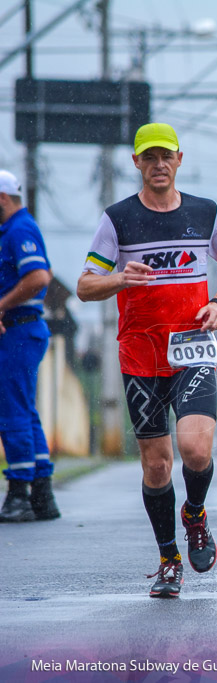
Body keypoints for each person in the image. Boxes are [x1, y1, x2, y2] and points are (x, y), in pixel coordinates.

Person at [77, 123, 217, 598]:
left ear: (178, 159)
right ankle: (169, 558)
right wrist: (119, 280)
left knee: (195, 451)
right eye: (148, 157)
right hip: (141, 357)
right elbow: (85, 285)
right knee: (156, 466)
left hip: (192, 351)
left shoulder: (205, 212)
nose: (158, 165)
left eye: (165, 156)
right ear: (136, 162)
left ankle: (194, 513)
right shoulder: (118, 220)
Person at [0, 170, 59, 523]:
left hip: (20, 330)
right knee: (23, 410)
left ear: (2, 198)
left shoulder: (19, 229)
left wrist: (2, 304)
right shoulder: (14, 229)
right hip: (22, 330)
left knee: (12, 413)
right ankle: (42, 493)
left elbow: (39, 277)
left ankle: (19, 493)